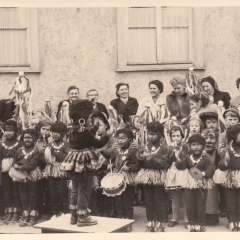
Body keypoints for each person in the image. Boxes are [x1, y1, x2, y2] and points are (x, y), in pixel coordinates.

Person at [60, 100, 110, 227]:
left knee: (76, 188)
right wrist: (106, 136)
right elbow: (97, 144)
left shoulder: (72, 129)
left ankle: (74, 216)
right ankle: (83, 216)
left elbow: (85, 136)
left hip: (73, 162)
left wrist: (94, 128)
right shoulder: (84, 131)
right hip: (84, 162)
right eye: (89, 117)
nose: (90, 120)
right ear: (83, 118)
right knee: (85, 188)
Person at [175, 134, 214, 232]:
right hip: (190, 184)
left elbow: (210, 170)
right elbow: (181, 167)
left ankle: (200, 223)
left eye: (198, 145)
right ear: (190, 146)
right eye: (193, 145)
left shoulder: (206, 158)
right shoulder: (188, 157)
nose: (196, 147)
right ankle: (192, 223)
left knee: (200, 204)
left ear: (203, 146)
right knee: (190, 204)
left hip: (202, 183)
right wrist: (179, 158)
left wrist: (202, 174)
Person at [136, 121, 168, 232]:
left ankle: (160, 223)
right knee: (149, 201)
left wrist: (150, 158)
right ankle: (151, 222)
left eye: (153, 134)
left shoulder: (164, 148)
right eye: (149, 134)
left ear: (160, 135)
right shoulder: (144, 147)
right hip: (146, 177)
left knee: (159, 200)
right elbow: (138, 160)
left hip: (158, 177)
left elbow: (163, 163)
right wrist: (141, 157)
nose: (150, 136)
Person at [109, 128, 139, 232]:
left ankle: (128, 222)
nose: (120, 140)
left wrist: (129, 168)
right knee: (118, 200)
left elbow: (137, 165)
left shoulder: (133, 151)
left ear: (130, 140)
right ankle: (120, 220)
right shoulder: (116, 151)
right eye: (118, 138)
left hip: (127, 179)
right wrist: (111, 166)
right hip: (117, 178)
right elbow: (112, 161)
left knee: (127, 200)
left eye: (123, 138)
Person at [12, 129, 42, 227]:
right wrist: (15, 166)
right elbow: (14, 161)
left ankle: (33, 216)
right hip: (21, 176)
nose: (27, 140)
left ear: (34, 139)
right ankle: (25, 216)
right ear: (22, 138)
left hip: (32, 175)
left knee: (33, 195)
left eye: (30, 138)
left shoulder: (36, 151)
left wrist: (20, 167)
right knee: (23, 195)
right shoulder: (19, 150)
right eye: (25, 137)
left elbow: (32, 164)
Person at [42, 122, 70, 218]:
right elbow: (47, 159)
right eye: (53, 132)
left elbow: (67, 157)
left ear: (63, 134)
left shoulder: (66, 144)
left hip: (63, 171)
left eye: (58, 132)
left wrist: (56, 153)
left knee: (63, 193)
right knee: (53, 193)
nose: (55, 134)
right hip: (51, 171)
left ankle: (64, 212)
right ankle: (54, 213)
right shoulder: (49, 144)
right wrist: (46, 152)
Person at [166, 126, 189, 228]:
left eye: (178, 136)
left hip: (183, 172)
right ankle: (174, 218)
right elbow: (168, 161)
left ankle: (187, 219)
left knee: (185, 198)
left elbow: (186, 159)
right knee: (175, 198)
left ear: (182, 136)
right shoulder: (169, 147)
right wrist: (172, 153)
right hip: (173, 171)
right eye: (173, 136)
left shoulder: (185, 146)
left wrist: (179, 154)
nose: (176, 138)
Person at [218, 124, 240, 231]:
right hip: (230, 178)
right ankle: (232, 221)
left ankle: (239, 221)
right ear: (234, 135)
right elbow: (221, 166)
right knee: (231, 201)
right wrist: (225, 162)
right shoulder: (228, 148)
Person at [0, 119, 22, 223]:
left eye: (11, 130)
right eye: (6, 130)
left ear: (15, 132)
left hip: (15, 171)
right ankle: (8, 211)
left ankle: (16, 212)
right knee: (7, 191)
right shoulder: (1, 144)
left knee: (15, 191)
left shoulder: (19, 144)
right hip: (4, 171)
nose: (8, 133)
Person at [137, 80, 169, 144]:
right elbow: (139, 115)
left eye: (154, 88)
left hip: (160, 127)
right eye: (150, 88)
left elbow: (166, 116)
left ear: (159, 89)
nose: (152, 90)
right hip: (147, 128)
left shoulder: (164, 101)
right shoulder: (144, 100)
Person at [201, 128, 220, 225]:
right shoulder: (200, 151)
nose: (209, 141)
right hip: (201, 176)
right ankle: (201, 216)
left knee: (212, 197)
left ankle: (212, 217)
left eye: (212, 138)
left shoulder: (216, 152)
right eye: (206, 138)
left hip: (213, 177)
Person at [35, 119, 53, 218]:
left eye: (48, 130)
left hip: (49, 166)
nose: (45, 131)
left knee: (50, 189)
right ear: (39, 129)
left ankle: (49, 210)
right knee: (39, 189)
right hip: (39, 166)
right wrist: (38, 152)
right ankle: (39, 209)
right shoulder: (37, 141)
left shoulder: (53, 141)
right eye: (43, 129)